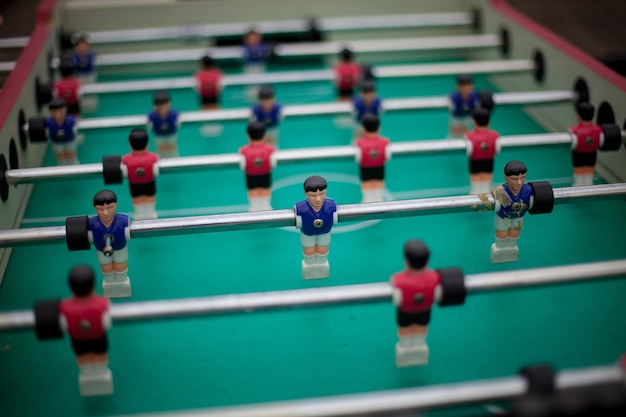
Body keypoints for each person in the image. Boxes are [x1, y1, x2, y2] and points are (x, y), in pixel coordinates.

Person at [59, 264, 113, 396]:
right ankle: (101, 374)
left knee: (82, 356)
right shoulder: (103, 304)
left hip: (78, 341)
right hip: (98, 338)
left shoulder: (64, 307)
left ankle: (87, 375)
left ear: (71, 288)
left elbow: (63, 326)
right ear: (93, 286)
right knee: (99, 355)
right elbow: (107, 324)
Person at [390, 240, 441, 367]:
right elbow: (438, 294)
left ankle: (405, 347)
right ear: (427, 261)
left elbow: (395, 297)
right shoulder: (435, 277)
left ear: (406, 261)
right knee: (421, 326)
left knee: (405, 328)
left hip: (405, 311)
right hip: (425, 310)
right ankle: (419, 345)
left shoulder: (398, 280)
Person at [88, 190, 131, 298]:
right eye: (100, 209)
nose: (105, 213)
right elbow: (89, 238)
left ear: (116, 205)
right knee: (106, 267)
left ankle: (122, 283)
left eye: (109, 207)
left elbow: (128, 235)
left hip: (120, 248)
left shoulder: (124, 221)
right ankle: (110, 284)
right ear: (95, 208)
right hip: (101, 250)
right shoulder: (91, 224)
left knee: (120, 265)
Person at [295, 176, 337, 280]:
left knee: (323, 249)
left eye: (322, 194)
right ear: (305, 194)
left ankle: (322, 266)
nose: (318, 199)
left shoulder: (331, 206)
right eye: (313, 195)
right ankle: (309, 267)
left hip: (325, 233)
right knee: (309, 251)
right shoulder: (300, 209)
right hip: (307, 234)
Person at [491, 161, 533, 263]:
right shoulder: (499, 192)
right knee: (502, 231)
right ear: (506, 177)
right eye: (514, 179)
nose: (519, 182)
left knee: (515, 231)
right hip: (503, 217)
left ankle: (512, 247)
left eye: (522, 178)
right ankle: (500, 249)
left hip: (519, 216)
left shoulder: (528, 190)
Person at [122, 129, 159, 220]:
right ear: (147, 144)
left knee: (137, 199)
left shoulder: (125, 159)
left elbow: (124, 173)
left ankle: (138, 215)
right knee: (150, 198)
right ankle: (151, 215)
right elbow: (156, 171)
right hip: (149, 183)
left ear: (130, 145)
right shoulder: (153, 157)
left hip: (134, 184)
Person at [239, 122, 276, 211]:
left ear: (248, 136)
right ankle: (266, 207)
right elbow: (273, 164)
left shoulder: (243, 151)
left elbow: (242, 166)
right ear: (264, 136)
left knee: (253, 191)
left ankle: (254, 208)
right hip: (265, 175)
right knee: (265, 190)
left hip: (251, 176)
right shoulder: (270, 149)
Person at [354, 114, 391, 202]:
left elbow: (358, 158)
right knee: (378, 193)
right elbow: (388, 156)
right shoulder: (385, 142)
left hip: (365, 169)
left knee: (367, 195)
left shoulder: (359, 143)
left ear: (363, 129)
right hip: (379, 169)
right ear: (379, 128)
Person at [465, 108, 500, 194]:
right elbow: (497, 149)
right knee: (487, 177)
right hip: (489, 161)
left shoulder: (468, 136)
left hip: (474, 161)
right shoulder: (495, 135)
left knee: (476, 178)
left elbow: (468, 151)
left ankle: (476, 193)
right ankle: (486, 193)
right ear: (489, 121)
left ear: (473, 122)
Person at [570, 102, 603, 186]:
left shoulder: (574, 130)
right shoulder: (598, 130)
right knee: (589, 168)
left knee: (579, 170)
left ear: (578, 115)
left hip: (579, 155)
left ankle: (579, 184)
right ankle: (589, 183)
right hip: (592, 154)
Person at [44, 97, 79, 165]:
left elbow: (76, 124)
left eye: (60, 110)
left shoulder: (71, 120)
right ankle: (62, 166)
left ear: (65, 109)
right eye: (54, 111)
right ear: (50, 112)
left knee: (71, 154)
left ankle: (74, 164)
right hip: (56, 142)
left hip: (69, 141)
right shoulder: (48, 122)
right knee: (60, 156)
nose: (58, 114)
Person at [147, 91, 181, 158]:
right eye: (160, 105)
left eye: (165, 105)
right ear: (155, 106)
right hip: (159, 137)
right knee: (160, 153)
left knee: (172, 153)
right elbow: (149, 126)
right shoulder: (151, 116)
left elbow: (178, 125)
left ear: (169, 103)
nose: (163, 108)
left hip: (172, 136)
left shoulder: (175, 115)